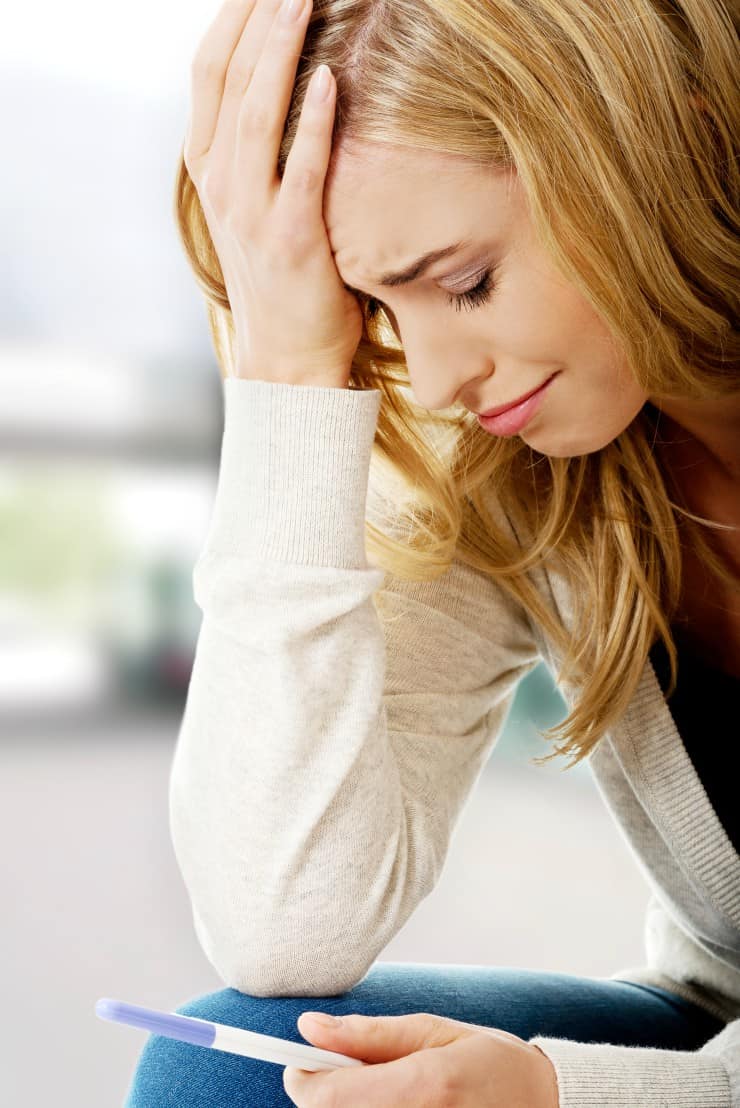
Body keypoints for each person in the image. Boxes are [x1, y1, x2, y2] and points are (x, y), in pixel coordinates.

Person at [124, 0, 739, 1103]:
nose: (438, 372)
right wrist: (289, 370)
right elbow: (281, 924)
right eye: (377, 309)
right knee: (221, 1065)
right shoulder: (524, 468)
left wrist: (562, 1092)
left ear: (673, 149)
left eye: (465, 283)